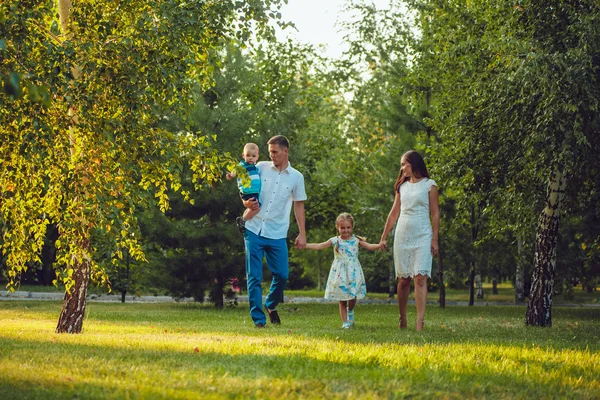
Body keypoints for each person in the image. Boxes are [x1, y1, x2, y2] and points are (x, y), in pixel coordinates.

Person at [242, 135, 307, 328]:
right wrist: (245, 202)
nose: (271, 155)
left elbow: (299, 206)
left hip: (277, 232)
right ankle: (259, 321)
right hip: (254, 227)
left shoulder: (296, 177)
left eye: (275, 152)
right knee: (254, 276)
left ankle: (270, 303)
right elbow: (244, 188)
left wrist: (302, 233)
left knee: (281, 275)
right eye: (269, 152)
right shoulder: (259, 167)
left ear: (286, 151)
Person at [379, 150, 439, 331]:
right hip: (403, 235)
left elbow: (435, 214)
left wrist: (435, 239)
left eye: (404, 164)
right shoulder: (402, 187)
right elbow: (393, 213)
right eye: (401, 165)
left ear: (414, 164)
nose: (402, 168)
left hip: (423, 234)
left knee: (420, 278)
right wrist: (383, 236)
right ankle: (402, 318)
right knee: (403, 279)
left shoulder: (430, 185)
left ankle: (420, 322)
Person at [303, 213, 381, 329]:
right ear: (337, 227)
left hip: (353, 272)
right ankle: (345, 322)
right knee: (342, 298)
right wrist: (305, 245)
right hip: (340, 273)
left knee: (352, 297)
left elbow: (369, 246)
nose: (345, 230)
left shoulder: (356, 240)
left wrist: (380, 245)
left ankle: (351, 311)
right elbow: (320, 245)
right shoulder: (335, 240)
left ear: (352, 227)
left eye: (348, 227)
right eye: (342, 228)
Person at [226, 142, 261, 232]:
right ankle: (243, 220)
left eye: (253, 156)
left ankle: (243, 219)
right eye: (248, 155)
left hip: (253, 192)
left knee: (252, 207)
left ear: (257, 157)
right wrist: (231, 175)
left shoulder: (255, 167)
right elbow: (236, 170)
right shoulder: (243, 165)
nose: (250, 158)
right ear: (243, 155)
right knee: (257, 208)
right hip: (247, 191)